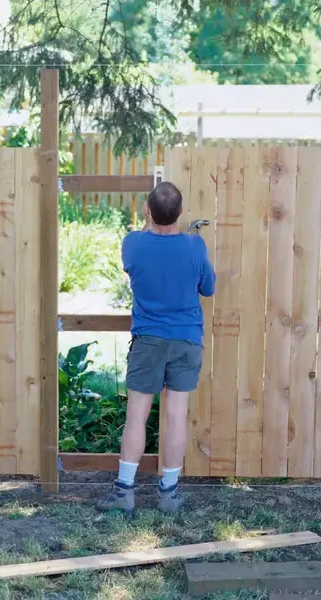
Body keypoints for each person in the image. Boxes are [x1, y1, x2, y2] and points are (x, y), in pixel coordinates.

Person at [95, 182, 215, 515]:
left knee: (136, 416)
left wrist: (153, 223)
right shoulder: (195, 246)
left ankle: (124, 492)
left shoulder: (132, 244)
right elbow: (208, 287)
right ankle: (169, 495)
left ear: (148, 211)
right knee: (175, 418)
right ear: (180, 213)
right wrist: (189, 240)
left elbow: (147, 239)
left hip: (147, 340)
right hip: (186, 340)